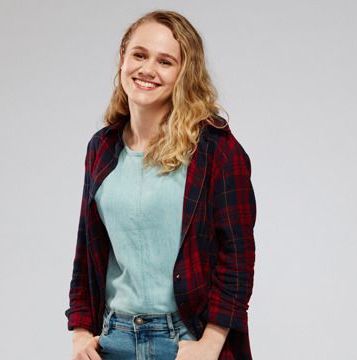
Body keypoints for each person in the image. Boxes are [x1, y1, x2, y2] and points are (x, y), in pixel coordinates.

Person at [65, 10, 256, 360]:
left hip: (186, 342)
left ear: (184, 73)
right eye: (139, 54)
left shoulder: (215, 149)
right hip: (114, 339)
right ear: (123, 58)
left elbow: (237, 257)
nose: (148, 69)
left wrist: (211, 344)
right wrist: (80, 331)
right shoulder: (102, 147)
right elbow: (87, 246)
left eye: (165, 61)